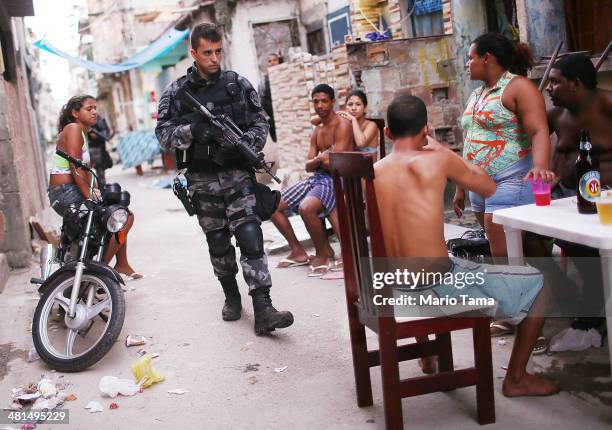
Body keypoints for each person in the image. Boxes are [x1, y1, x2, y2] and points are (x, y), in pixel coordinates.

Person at [375, 94, 559, 396]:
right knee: (539, 283)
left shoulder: (373, 171)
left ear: (387, 133)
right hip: (435, 288)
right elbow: (488, 186)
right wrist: (442, 148)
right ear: (426, 130)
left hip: (388, 285)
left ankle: (427, 353)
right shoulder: (437, 158)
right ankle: (516, 378)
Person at [155, 24, 293, 335]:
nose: (214, 58)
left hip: (237, 176)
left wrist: (250, 144)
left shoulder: (236, 84)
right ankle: (231, 295)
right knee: (218, 242)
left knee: (249, 235)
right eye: (207, 53)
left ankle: (263, 307)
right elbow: (163, 135)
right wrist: (195, 132)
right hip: (202, 181)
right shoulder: (177, 93)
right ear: (194, 53)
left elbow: (261, 121)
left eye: (218, 52)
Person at [453, 32, 555, 336]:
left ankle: (519, 316)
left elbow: (538, 130)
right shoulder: (478, 94)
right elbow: (469, 140)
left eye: (470, 57)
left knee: (504, 251)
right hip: (479, 184)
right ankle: (527, 307)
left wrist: (540, 167)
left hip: (512, 177)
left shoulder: (518, 87)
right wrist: (459, 185)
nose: (466, 64)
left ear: (487, 58)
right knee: (506, 251)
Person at [546, 53, 611, 328]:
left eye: (555, 82)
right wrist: (547, 170)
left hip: (605, 200)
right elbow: (532, 139)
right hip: (566, 198)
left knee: (594, 251)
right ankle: (570, 294)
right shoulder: (555, 115)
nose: (549, 88)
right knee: (529, 239)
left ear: (575, 84)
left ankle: (594, 305)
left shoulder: (607, 104)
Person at [48, 95, 141, 280]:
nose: (94, 112)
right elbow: (75, 167)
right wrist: (91, 198)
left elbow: (86, 170)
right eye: (89, 108)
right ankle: (97, 275)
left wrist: (97, 191)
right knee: (123, 217)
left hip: (69, 190)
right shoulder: (73, 128)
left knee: (119, 209)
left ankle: (120, 264)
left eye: (95, 108)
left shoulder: (81, 132)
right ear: (75, 113)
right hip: (64, 192)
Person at [270, 84, 353, 276]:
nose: (320, 105)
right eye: (316, 101)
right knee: (272, 204)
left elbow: (336, 162)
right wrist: (320, 158)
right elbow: (308, 165)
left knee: (306, 207)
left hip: (336, 180)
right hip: (316, 178)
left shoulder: (343, 125)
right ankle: (298, 251)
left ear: (333, 102)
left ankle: (323, 253)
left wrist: (320, 160)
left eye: (324, 101)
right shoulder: (317, 130)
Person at [337, 89, 380, 160]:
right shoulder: (346, 125)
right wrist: (335, 114)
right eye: (350, 104)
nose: (353, 108)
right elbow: (315, 121)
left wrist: (353, 120)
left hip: (369, 168)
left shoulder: (371, 125)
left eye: (358, 104)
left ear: (365, 108)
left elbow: (360, 144)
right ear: (345, 108)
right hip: (349, 166)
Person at [259, 53, 282, 142]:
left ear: (279, 61)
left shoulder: (286, 76)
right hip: (272, 120)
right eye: (269, 61)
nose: (272, 63)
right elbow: (259, 103)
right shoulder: (263, 82)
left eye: (274, 60)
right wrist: (267, 119)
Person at [87, 115, 113, 188]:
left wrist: (96, 135)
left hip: (97, 148)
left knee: (100, 171)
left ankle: (102, 189)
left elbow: (105, 134)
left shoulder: (99, 119)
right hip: (90, 148)